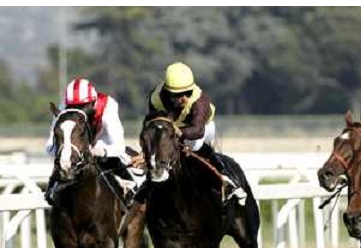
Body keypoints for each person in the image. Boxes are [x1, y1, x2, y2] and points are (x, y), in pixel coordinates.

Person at [144, 62, 246, 204]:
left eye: (188, 92)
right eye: (179, 94)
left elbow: (198, 131)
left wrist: (177, 133)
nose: (185, 97)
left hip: (202, 128)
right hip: (173, 129)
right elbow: (152, 126)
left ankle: (227, 179)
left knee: (195, 146)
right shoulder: (155, 98)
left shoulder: (199, 100)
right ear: (168, 93)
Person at [45, 78, 138, 206]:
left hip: (102, 142)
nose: (77, 111)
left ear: (92, 103)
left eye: (81, 107)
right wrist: (64, 149)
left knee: (104, 153)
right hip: (77, 149)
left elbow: (119, 145)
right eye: (72, 107)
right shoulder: (64, 109)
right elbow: (49, 148)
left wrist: (102, 151)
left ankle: (130, 187)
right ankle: (51, 189)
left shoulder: (108, 105)